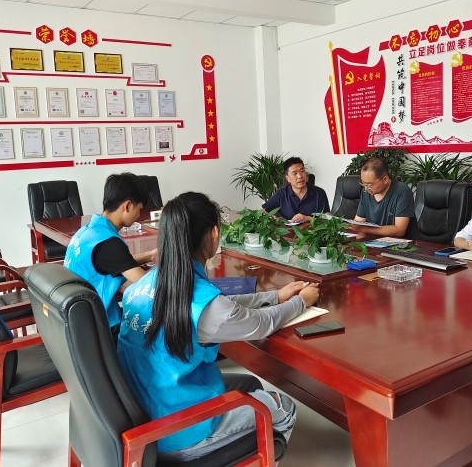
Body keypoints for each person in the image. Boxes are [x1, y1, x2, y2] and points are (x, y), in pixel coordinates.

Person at [117, 191, 320, 459]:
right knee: (283, 406)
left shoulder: (145, 283)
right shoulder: (203, 304)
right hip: (180, 431)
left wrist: (274, 296)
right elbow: (261, 323)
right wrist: (302, 302)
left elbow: (220, 304)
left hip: (143, 417)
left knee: (248, 384)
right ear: (214, 233)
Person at [64, 172, 155, 331]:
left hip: (76, 318)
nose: (139, 215)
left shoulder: (89, 231)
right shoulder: (109, 243)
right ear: (127, 206)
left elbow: (119, 262)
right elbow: (147, 284)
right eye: (139, 209)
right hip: (98, 326)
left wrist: (150, 255)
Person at [350, 157, 414, 237]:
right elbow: (358, 222)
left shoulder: (402, 192)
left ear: (385, 179)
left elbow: (399, 230)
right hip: (372, 241)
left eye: (370, 185)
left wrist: (364, 229)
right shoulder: (366, 191)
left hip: (397, 243)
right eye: (363, 183)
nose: (366, 188)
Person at [262, 157, 329, 222]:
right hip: (287, 229)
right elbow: (263, 211)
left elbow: (327, 219)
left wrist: (308, 218)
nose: (300, 176)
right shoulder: (281, 194)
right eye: (295, 173)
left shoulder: (319, 193)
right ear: (287, 178)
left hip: (312, 229)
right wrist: (274, 219)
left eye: (302, 171)